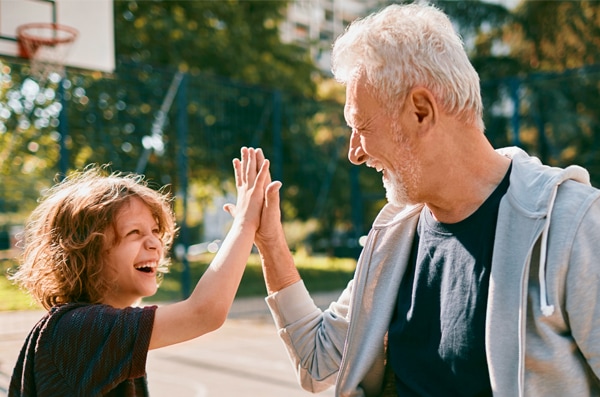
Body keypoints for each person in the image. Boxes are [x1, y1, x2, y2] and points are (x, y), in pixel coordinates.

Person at [253, 3, 600, 397]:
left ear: (421, 111)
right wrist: (269, 241)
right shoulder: (394, 234)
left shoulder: (575, 225)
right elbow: (319, 363)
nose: (354, 152)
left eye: (361, 126)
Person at [8, 147, 276, 396]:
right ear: (86, 251)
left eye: (156, 231)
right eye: (134, 232)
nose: (154, 243)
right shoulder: (79, 330)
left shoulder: (95, 330)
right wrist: (245, 223)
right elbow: (204, 313)